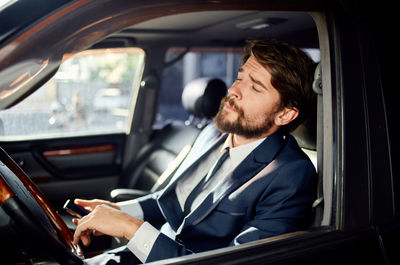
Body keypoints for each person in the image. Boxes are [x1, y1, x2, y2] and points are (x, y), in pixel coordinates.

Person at [73, 39, 317, 264]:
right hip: (139, 255)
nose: (234, 90)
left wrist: (130, 228)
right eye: (240, 77)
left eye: (255, 87)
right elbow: (172, 200)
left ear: (285, 114)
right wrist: (117, 211)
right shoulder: (213, 133)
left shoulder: (291, 174)